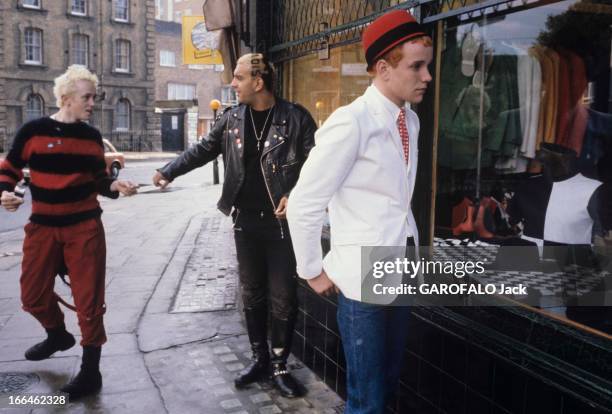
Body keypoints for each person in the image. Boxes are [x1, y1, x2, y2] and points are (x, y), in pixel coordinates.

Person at [286, 10, 433, 413]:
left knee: (386, 386)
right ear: (383, 68)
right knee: (366, 399)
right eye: (416, 66)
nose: (427, 77)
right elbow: (304, 202)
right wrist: (312, 270)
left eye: (428, 66)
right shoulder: (351, 122)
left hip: (399, 269)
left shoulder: (411, 122)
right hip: (362, 278)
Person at [152, 53, 316, 397]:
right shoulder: (232, 119)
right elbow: (201, 150)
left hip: (282, 226)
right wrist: (169, 170)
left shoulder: (296, 118)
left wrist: (296, 194)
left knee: (283, 296)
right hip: (245, 222)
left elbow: (318, 166)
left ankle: (280, 365)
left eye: (239, 77)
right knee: (253, 294)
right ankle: (259, 360)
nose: (233, 83)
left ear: (258, 83)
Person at [0, 65, 138, 399]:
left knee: (90, 302)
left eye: (94, 96)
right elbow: (9, 168)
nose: (93, 103)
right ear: (66, 98)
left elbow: (98, 181)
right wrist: (5, 192)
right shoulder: (33, 132)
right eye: (87, 97)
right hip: (43, 227)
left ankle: (91, 372)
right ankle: (57, 335)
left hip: (84, 227)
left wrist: (115, 185)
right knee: (32, 295)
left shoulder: (91, 137)